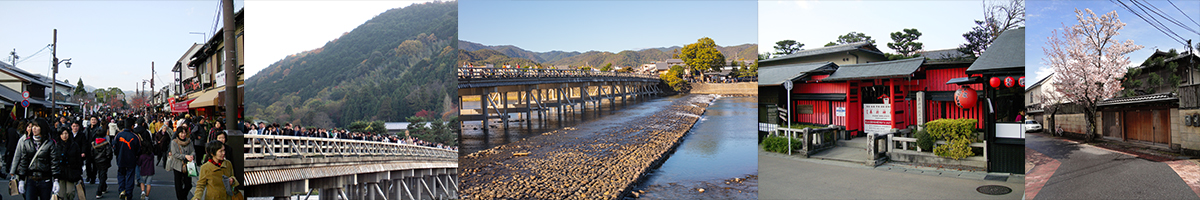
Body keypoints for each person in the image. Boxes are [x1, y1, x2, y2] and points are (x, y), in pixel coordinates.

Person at [11, 119, 61, 200]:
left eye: (37, 126)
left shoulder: (50, 143)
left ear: (42, 128)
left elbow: (54, 162)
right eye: (33, 126)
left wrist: (56, 179)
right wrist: (21, 179)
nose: (34, 128)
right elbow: (24, 161)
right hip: (31, 178)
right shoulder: (27, 142)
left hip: (45, 179)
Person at [55, 127, 85, 200]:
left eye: (66, 133)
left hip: (71, 171)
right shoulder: (56, 146)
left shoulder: (74, 145)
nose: (64, 136)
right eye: (62, 134)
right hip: (60, 172)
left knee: (70, 192)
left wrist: (79, 172)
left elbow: (78, 159)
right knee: (61, 194)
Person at [115, 118, 140, 200]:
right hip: (131, 159)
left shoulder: (118, 135)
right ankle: (128, 194)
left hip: (121, 158)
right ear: (132, 126)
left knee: (121, 174)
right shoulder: (135, 136)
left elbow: (115, 148)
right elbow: (138, 150)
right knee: (130, 176)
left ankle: (122, 190)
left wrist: (118, 155)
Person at [168, 123, 194, 200]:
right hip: (177, 165)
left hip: (188, 165)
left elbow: (193, 151)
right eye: (181, 133)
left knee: (189, 184)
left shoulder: (189, 141)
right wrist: (185, 156)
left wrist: (192, 156)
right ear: (178, 133)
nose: (183, 134)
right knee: (178, 184)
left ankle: (183, 196)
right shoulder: (174, 142)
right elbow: (175, 154)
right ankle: (181, 198)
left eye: (184, 133)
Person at [91, 117, 114, 199]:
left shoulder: (94, 144)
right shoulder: (106, 144)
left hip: (97, 161)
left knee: (101, 174)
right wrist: (108, 159)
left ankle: (104, 187)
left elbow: (92, 153)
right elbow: (109, 154)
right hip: (104, 161)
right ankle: (99, 191)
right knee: (103, 175)